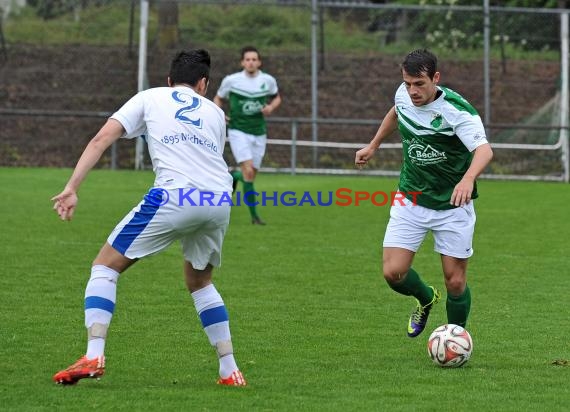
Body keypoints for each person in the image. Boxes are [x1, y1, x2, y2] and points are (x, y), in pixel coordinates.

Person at [51, 49, 246, 386]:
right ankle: (230, 370)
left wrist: (71, 187)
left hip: (175, 195)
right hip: (218, 198)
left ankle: (94, 355)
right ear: (203, 83)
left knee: (104, 266)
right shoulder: (215, 112)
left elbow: (102, 138)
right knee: (200, 282)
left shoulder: (151, 96)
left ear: (170, 81)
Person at [355, 49, 493, 338]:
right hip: (411, 199)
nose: (412, 91)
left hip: (452, 204)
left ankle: (455, 339)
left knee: (455, 282)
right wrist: (373, 145)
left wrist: (468, 179)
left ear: (436, 78)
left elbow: (484, 150)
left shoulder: (457, 110)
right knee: (393, 273)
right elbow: (396, 111)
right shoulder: (403, 95)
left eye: (419, 83)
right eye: (407, 83)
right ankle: (426, 297)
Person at [214, 46, 282, 225]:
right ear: (242, 62)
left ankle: (234, 177)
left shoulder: (268, 80)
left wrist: (270, 107)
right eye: (247, 59)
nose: (251, 62)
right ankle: (255, 217)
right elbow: (218, 99)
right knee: (249, 171)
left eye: (254, 59)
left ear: (259, 62)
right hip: (238, 130)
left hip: (259, 131)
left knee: (250, 175)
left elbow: (277, 98)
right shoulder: (232, 81)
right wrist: (220, 114)